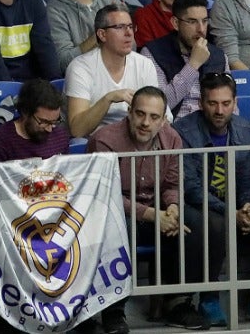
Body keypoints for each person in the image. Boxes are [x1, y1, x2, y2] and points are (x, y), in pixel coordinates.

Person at [86, 86, 207, 332]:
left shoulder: (172, 138)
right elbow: (105, 194)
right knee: (118, 230)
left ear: (163, 120)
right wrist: (153, 216)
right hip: (115, 212)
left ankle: (178, 302)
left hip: (157, 208)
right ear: (129, 112)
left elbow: (172, 183)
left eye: (154, 117)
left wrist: (172, 209)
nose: (145, 123)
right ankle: (113, 312)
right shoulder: (105, 139)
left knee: (195, 224)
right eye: (140, 114)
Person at [173, 74, 250, 327]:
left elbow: (248, 179)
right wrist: (230, 212)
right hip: (198, 205)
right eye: (212, 103)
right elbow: (192, 188)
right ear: (201, 103)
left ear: (235, 102)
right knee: (215, 224)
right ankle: (208, 299)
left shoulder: (246, 129)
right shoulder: (184, 131)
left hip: (232, 204)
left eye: (225, 103)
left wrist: (248, 207)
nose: (219, 110)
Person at [65, 4, 160, 137]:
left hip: (137, 136)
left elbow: (161, 115)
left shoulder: (145, 64)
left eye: (131, 27)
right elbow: (77, 130)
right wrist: (108, 99)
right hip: (97, 143)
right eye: (120, 27)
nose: (129, 33)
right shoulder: (80, 68)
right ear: (102, 35)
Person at [143, 0, 229, 119]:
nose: (201, 29)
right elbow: (160, 106)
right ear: (176, 23)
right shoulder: (153, 53)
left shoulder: (219, 56)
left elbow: (230, 105)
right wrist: (193, 65)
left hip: (211, 126)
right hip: (175, 128)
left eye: (204, 21)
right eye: (192, 22)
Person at [0, 76, 72, 163]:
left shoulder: (61, 137)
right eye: (44, 122)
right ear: (25, 112)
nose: (49, 129)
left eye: (55, 121)